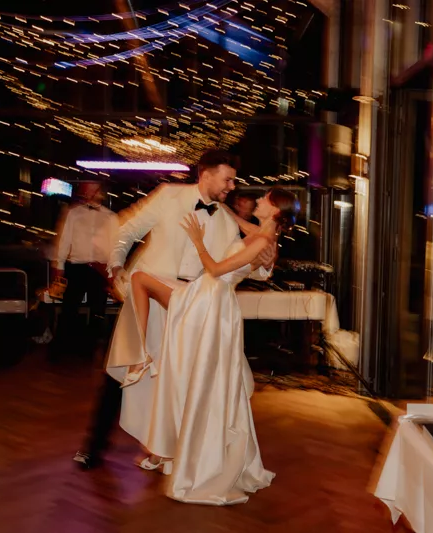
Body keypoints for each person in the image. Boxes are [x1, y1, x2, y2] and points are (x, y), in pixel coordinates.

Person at [72, 150, 276, 469]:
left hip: (192, 307)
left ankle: (167, 448)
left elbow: (236, 264)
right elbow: (127, 231)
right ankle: (93, 447)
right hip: (152, 300)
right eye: (227, 179)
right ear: (206, 174)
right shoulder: (168, 195)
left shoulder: (225, 219)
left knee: (178, 383)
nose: (231, 186)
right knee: (122, 371)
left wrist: (264, 266)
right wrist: (116, 266)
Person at [124, 187, 299, 505]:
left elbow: (216, 270)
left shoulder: (262, 240)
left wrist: (198, 241)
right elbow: (248, 236)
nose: (258, 200)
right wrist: (222, 207)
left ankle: (141, 355)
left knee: (141, 281)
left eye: (264, 199)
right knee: (188, 375)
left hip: (208, 300)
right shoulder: (262, 235)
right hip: (209, 299)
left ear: (275, 209)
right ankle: (169, 446)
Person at [49, 181, 118, 357]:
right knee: (69, 308)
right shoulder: (74, 213)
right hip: (77, 267)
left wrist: (112, 272)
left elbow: (115, 247)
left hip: (99, 268)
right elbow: (65, 240)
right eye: (88, 191)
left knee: (97, 309)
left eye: (93, 191)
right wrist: (59, 265)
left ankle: (89, 348)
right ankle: (63, 347)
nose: (90, 194)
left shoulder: (110, 217)